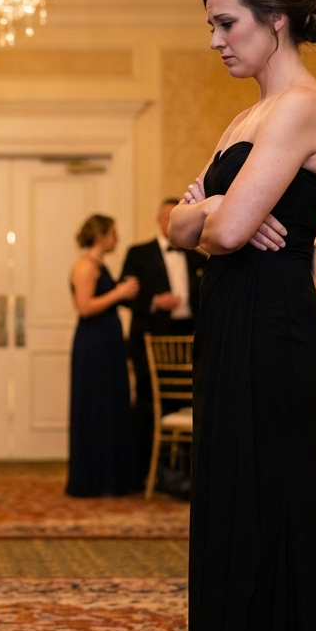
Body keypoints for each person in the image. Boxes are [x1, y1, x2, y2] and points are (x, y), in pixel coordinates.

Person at [167, 0, 316, 631]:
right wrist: (209, 212)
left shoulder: (305, 105)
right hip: (229, 319)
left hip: (275, 326)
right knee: (227, 500)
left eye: (227, 22)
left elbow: (226, 231)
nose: (215, 39)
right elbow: (179, 224)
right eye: (211, 24)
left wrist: (210, 212)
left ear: (276, 20)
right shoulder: (244, 116)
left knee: (275, 503)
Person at [119, 198, 206, 493]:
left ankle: (186, 476)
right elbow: (125, 294)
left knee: (189, 403)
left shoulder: (197, 258)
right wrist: (156, 301)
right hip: (151, 340)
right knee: (148, 406)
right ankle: (148, 474)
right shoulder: (139, 253)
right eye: (168, 217)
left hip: (188, 339)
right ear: (158, 220)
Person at [68, 214, 140, 497]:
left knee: (109, 405)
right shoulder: (85, 266)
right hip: (94, 343)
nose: (117, 238)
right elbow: (84, 307)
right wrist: (119, 293)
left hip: (106, 342)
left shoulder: (98, 264)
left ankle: (110, 476)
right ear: (101, 235)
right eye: (113, 232)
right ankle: (94, 479)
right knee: (96, 406)